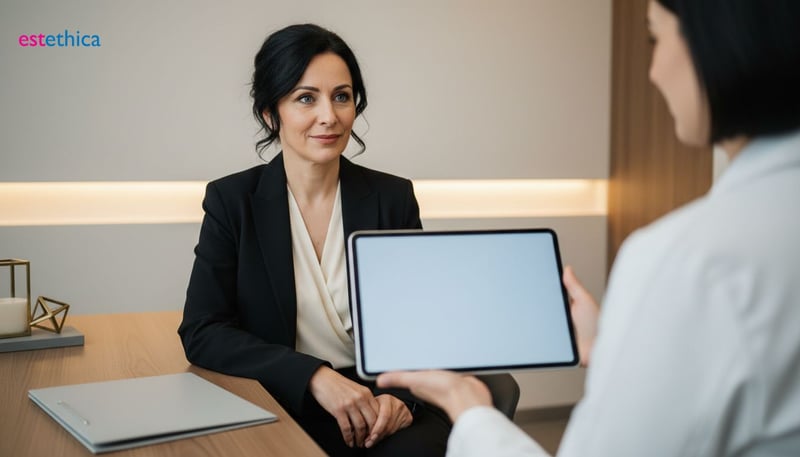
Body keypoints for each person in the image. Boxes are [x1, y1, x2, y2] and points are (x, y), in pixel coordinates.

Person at [378, 0, 800, 455]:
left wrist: (467, 406)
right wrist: (611, 349)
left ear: (716, 44)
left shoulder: (685, 260)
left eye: (657, 39)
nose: (654, 71)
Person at [178, 24, 449, 456]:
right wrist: (314, 377)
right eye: (306, 98)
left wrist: (404, 400)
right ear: (271, 112)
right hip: (287, 396)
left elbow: (422, 322)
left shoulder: (392, 197)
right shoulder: (232, 201)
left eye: (342, 96)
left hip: (383, 400)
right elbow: (203, 330)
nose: (330, 116)